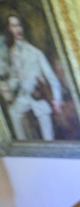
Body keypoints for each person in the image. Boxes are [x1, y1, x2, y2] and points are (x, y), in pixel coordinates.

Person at [5, 13, 63, 141]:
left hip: (38, 96)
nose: (17, 29)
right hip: (24, 97)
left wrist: (57, 99)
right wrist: (8, 87)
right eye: (14, 26)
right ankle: (23, 145)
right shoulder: (12, 52)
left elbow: (51, 77)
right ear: (10, 29)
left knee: (48, 137)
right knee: (14, 113)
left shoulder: (35, 52)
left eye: (19, 25)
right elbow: (15, 75)